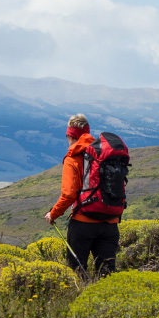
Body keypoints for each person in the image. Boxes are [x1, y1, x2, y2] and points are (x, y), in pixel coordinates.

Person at [43, 114, 119, 278]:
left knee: (77, 272)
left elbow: (69, 194)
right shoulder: (102, 154)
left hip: (83, 222)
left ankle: (80, 301)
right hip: (110, 222)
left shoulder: (73, 157)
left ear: (70, 135)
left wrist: (53, 214)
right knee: (106, 274)